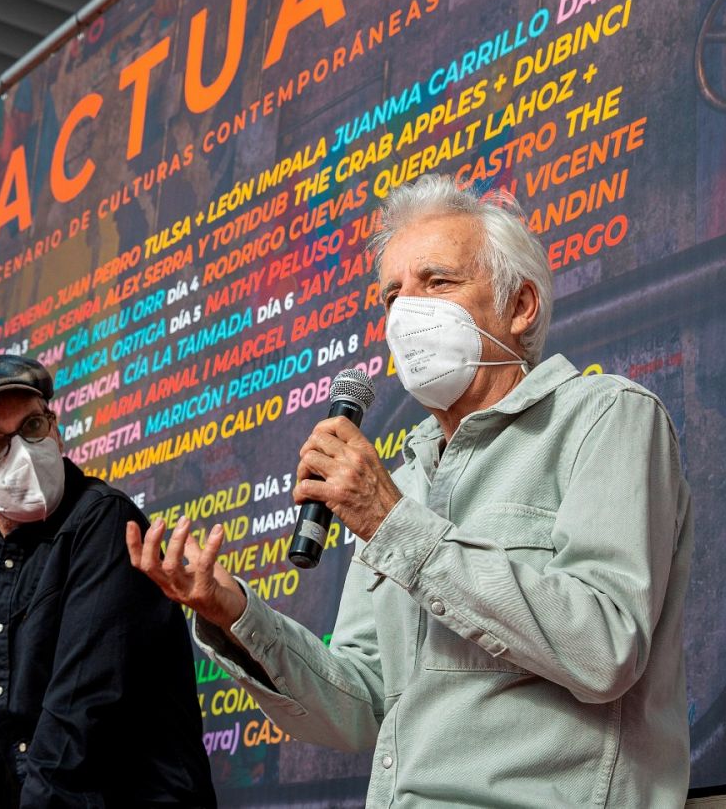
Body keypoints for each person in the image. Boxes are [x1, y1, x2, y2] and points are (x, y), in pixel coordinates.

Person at [130, 174, 693, 807]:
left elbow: (605, 648)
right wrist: (233, 614)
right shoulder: (403, 484)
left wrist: (393, 522)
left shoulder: (605, 416)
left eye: (438, 282)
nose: (407, 311)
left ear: (521, 306)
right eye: (392, 294)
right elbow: (364, 705)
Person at [0, 354, 216, 808]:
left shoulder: (105, 522)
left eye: (33, 427)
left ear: (54, 426)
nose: (22, 452)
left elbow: (81, 718)